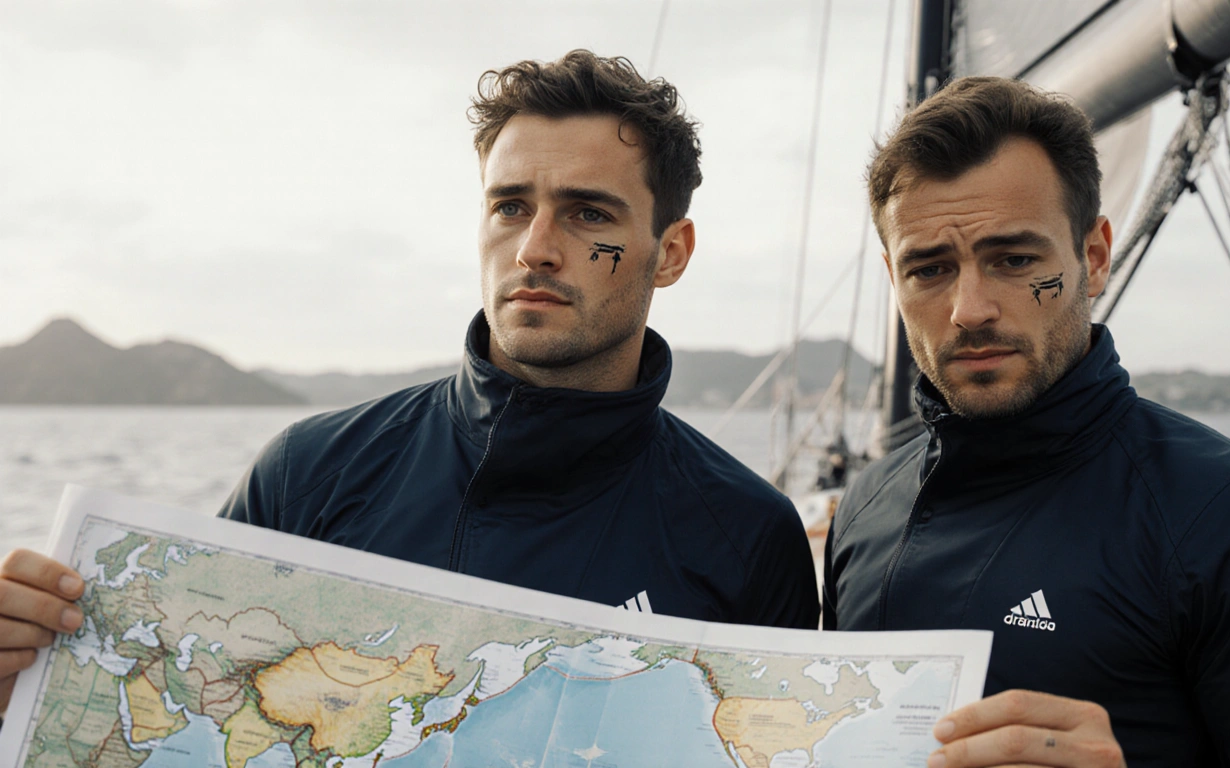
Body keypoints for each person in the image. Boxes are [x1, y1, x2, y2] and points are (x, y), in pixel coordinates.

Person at [0, 50, 820, 717]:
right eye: (509, 206)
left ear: (669, 252)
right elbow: (179, 720)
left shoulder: (748, 534)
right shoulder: (308, 473)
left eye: (588, 214)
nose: (534, 246)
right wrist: (21, 686)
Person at [824, 76, 1230, 767]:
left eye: (1014, 259)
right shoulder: (864, 509)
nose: (969, 308)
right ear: (894, 277)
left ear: (1092, 257)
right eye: (930, 268)